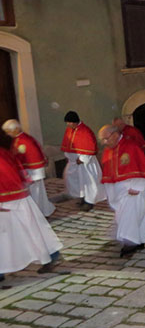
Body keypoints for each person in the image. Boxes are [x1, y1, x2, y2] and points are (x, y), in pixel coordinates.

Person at [0, 147, 63, 282]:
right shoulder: (4, 152)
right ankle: (51, 255)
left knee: (31, 229)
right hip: (15, 197)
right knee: (30, 229)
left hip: (10, 199)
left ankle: (51, 255)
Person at [98, 125, 145, 257]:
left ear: (115, 135)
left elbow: (141, 165)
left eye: (106, 139)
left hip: (132, 188)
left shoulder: (131, 146)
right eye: (102, 140)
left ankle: (130, 242)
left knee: (131, 215)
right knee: (127, 215)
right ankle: (139, 239)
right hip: (118, 189)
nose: (104, 142)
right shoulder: (108, 150)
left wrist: (137, 186)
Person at [2, 119, 55, 217]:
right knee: (36, 193)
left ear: (16, 129)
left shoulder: (25, 140)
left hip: (33, 172)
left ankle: (38, 214)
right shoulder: (18, 139)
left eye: (9, 131)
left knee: (36, 194)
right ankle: (42, 211)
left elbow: (34, 156)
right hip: (29, 172)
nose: (8, 134)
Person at [61, 111, 105, 212]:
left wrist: (83, 159)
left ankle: (90, 202)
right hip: (74, 163)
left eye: (69, 122)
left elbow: (90, 147)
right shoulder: (69, 130)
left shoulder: (85, 131)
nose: (67, 125)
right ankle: (83, 198)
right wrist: (68, 156)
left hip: (85, 163)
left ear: (74, 122)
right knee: (76, 181)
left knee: (88, 182)